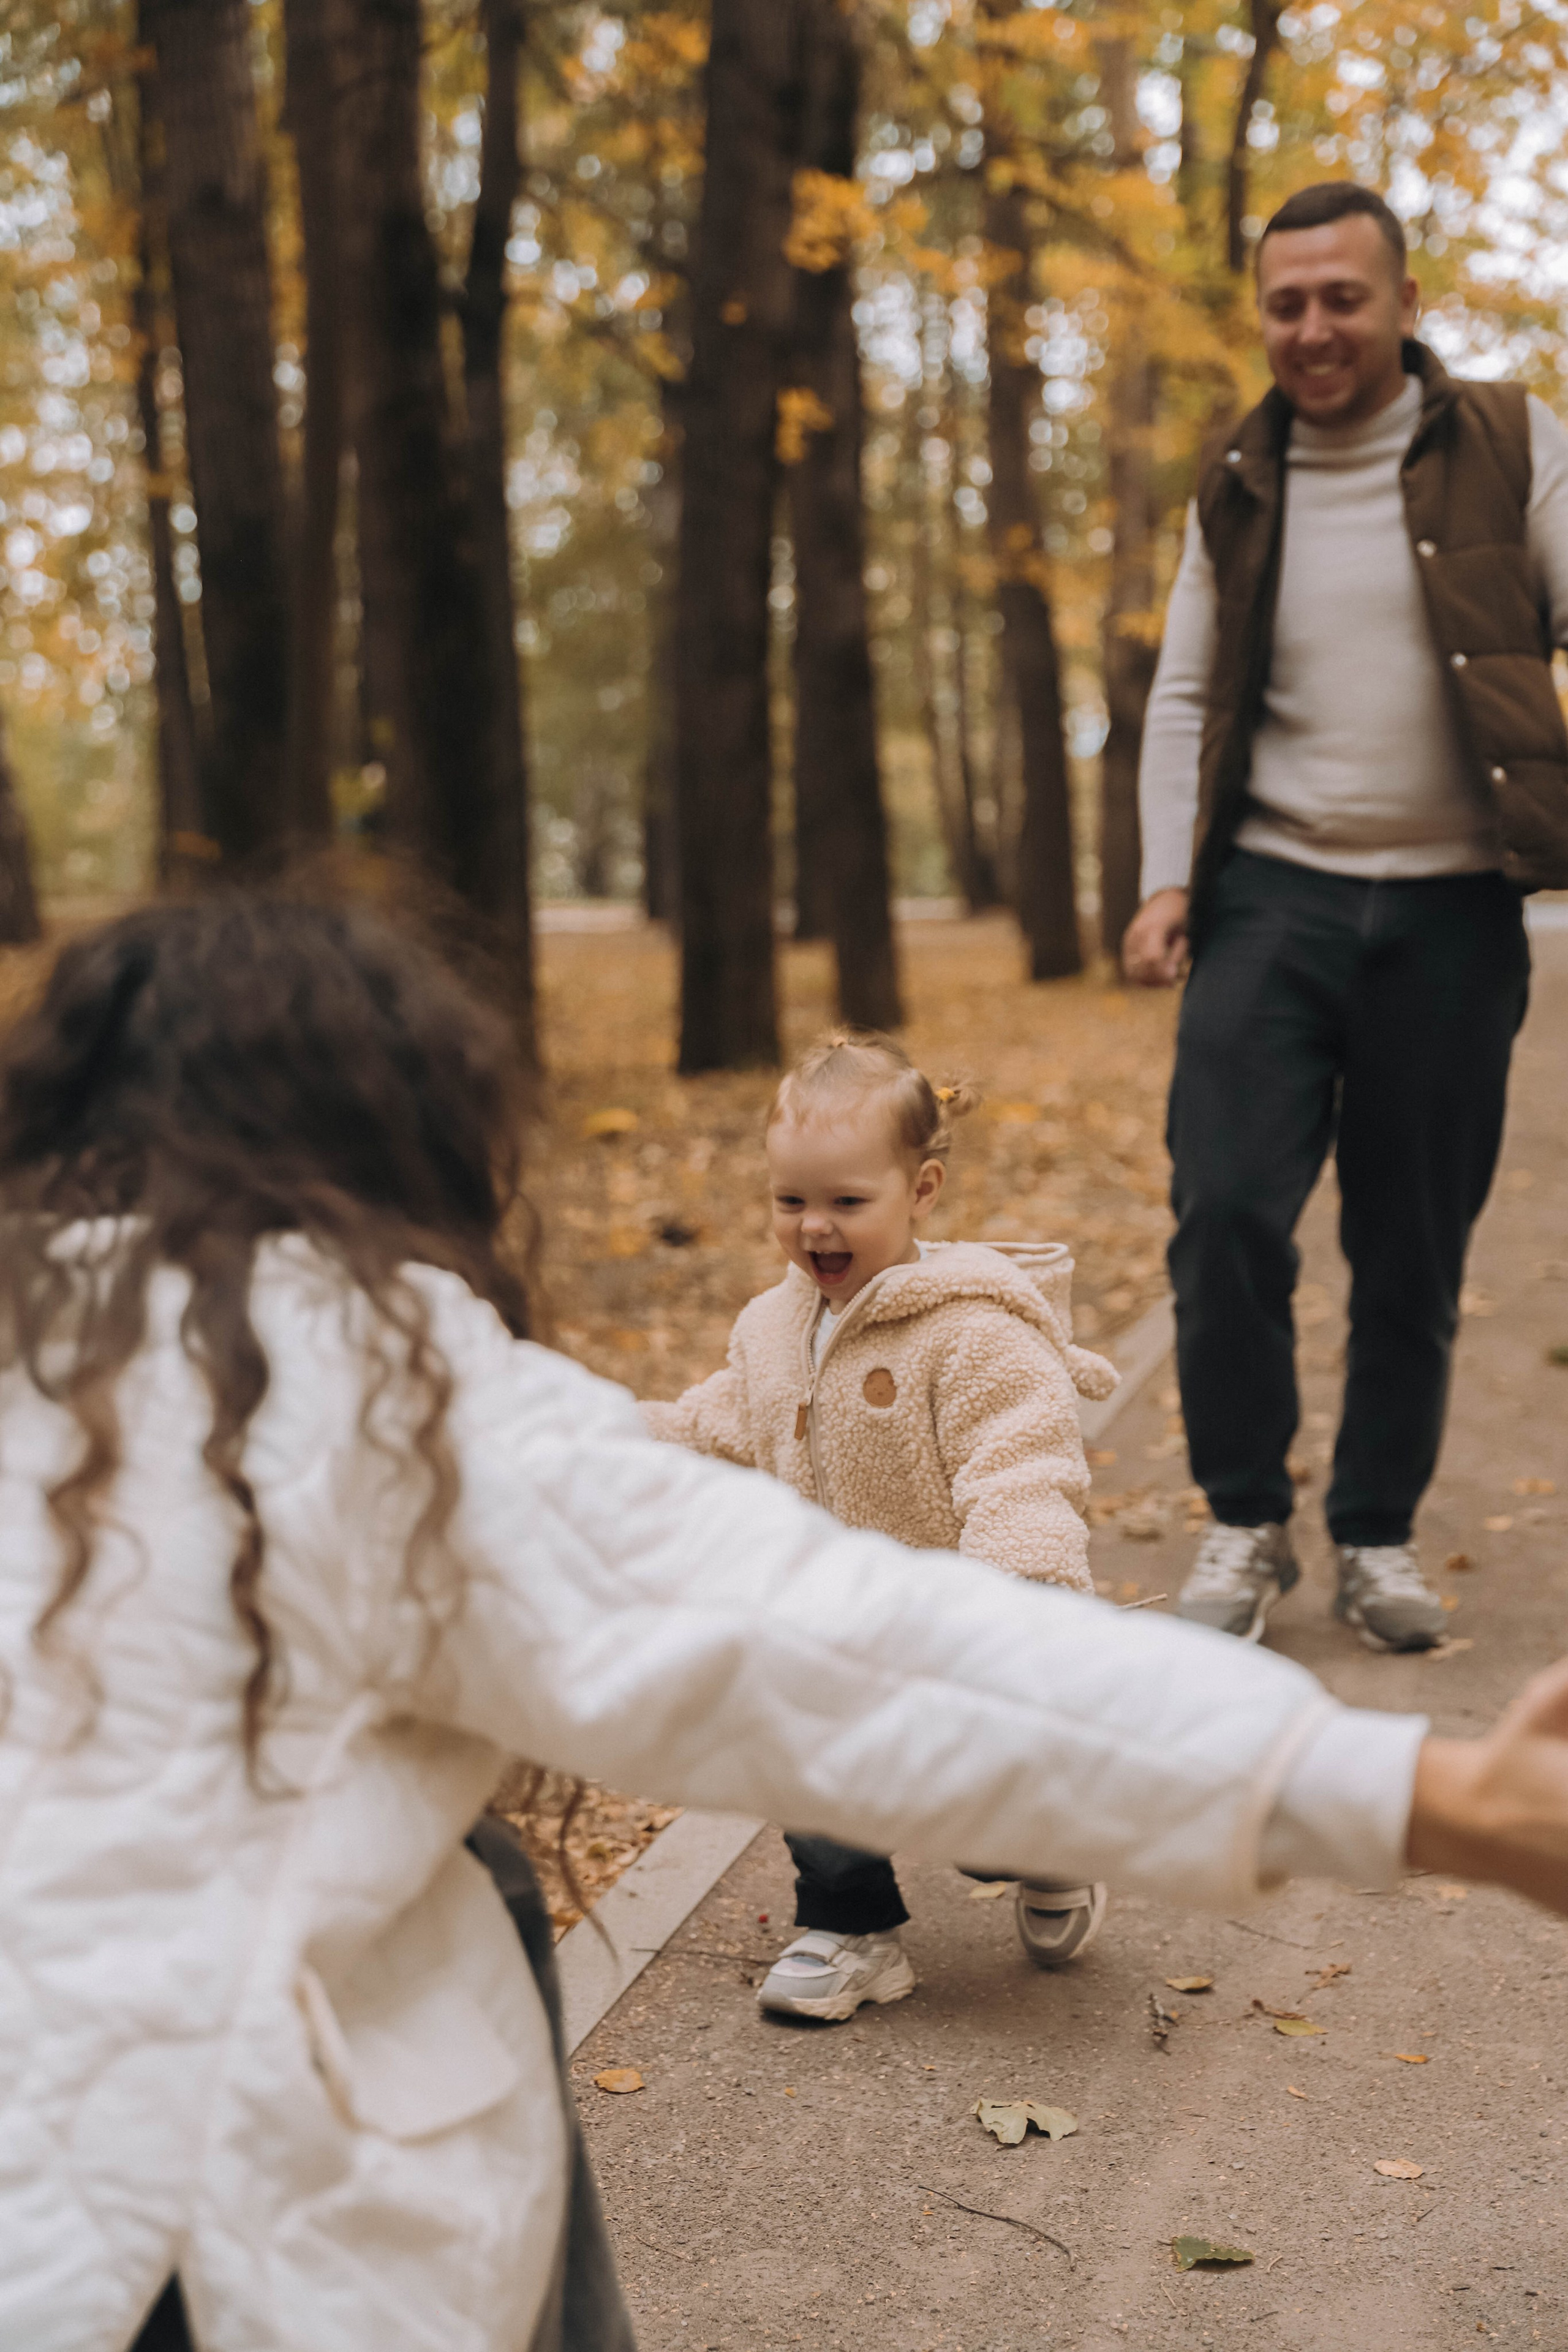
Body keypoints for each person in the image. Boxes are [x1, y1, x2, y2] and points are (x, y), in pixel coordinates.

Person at [3, 899, 1568, 2352]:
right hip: (165, 2249)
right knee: (472, 1890)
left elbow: (960, 1533)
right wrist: (1428, 1795)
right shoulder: (354, 1382)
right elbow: (840, 1651)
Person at [1123, 179, 1568, 1653]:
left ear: (1403, 305)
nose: (1310, 328)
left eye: (1341, 298)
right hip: (1273, 903)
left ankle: (1372, 1531)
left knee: (1411, 1247)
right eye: (1284, 302)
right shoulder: (1239, 476)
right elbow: (1184, 693)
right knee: (1227, 1213)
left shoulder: (1509, 441)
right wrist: (1164, 883)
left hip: (1450, 920)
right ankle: (1245, 1519)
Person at [643, 1030, 1120, 2018]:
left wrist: (1015, 1608)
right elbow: (723, 1422)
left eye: (847, 1203)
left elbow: (1023, 1476)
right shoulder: (773, 1329)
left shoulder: (978, 1337)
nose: (815, 1227)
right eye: (791, 1201)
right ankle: (850, 1927)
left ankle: (1051, 1845)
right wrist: (620, 1442)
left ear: (924, 1190)